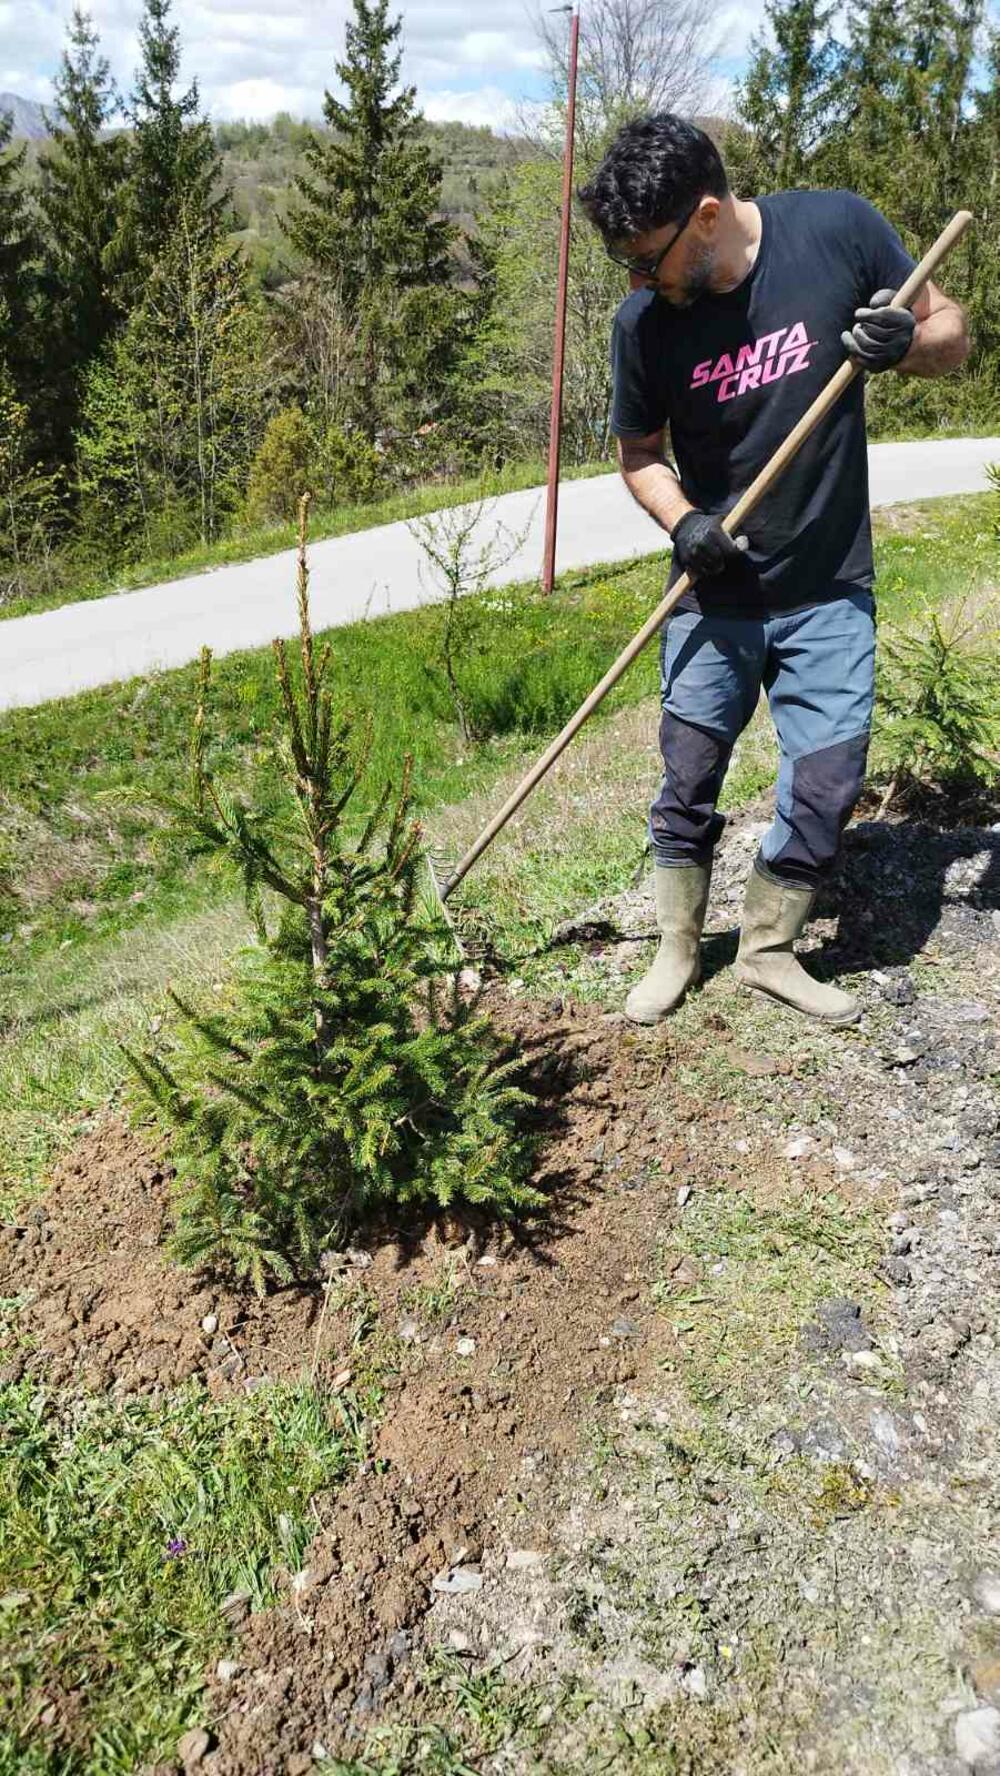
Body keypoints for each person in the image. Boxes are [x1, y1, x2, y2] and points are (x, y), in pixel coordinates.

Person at [577, 115, 969, 1027]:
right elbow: (639, 456)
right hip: (716, 592)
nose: (639, 281)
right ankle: (678, 944)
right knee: (688, 773)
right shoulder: (643, 325)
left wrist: (902, 339)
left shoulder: (837, 229)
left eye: (649, 259)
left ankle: (768, 947)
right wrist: (685, 524)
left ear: (706, 217)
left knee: (829, 779)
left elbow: (951, 336)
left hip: (829, 582)